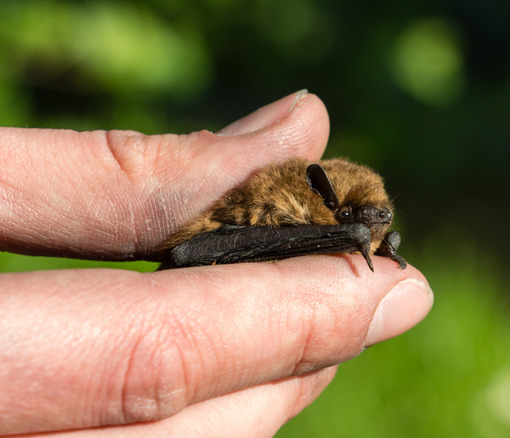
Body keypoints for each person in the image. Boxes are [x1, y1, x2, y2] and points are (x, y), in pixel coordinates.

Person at [0, 91, 433, 437]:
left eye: (379, 218)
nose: (371, 226)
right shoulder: (284, 207)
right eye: (351, 217)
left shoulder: (353, 228)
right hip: (213, 244)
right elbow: (190, 252)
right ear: (321, 200)